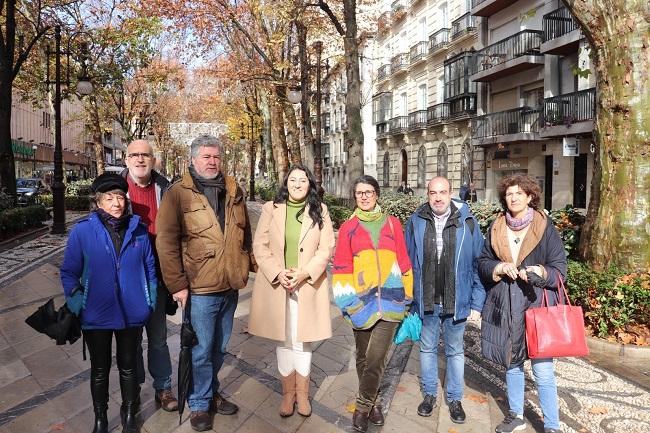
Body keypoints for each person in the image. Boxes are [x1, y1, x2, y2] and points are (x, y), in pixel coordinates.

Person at [156, 134, 254, 432]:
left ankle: (210, 392)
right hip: (199, 288)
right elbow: (166, 242)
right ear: (193, 160)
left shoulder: (234, 190)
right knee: (200, 349)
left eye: (216, 157)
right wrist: (177, 285)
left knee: (219, 348)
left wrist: (249, 265)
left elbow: (245, 232)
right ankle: (199, 402)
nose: (212, 162)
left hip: (230, 284)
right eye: (206, 157)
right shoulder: (178, 193)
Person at [60, 173, 158, 433]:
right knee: (100, 369)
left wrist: (150, 300)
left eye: (120, 197)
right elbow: (69, 271)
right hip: (96, 313)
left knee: (128, 367)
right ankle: (100, 419)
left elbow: (149, 268)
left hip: (132, 312)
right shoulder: (83, 231)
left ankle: (128, 416)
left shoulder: (138, 229)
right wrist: (78, 301)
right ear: (98, 202)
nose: (116, 203)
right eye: (109, 198)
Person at [478, 174, 567, 433]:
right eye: (509, 194)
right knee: (512, 364)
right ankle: (516, 415)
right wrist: (499, 266)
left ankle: (551, 425)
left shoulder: (545, 227)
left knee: (543, 370)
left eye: (519, 193)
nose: (513, 197)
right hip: (505, 304)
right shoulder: (496, 227)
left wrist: (540, 272)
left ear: (530, 197)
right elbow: (482, 262)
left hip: (536, 305)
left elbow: (560, 270)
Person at [249, 164, 335, 418]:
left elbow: (326, 247)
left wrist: (304, 273)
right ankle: (288, 394)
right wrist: (278, 272)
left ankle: (303, 395)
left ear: (310, 184)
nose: (297, 184)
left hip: (307, 284)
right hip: (278, 284)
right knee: (284, 338)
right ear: (286, 183)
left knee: (302, 339)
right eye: (293, 180)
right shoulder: (270, 209)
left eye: (303, 180)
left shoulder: (321, 210)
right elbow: (260, 245)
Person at [332, 175, 413, 433]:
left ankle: (362, 406)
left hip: (391, 303)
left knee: (376, 358)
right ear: (355, 197)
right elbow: (342, 268)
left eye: (369, 192)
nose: (364, 196)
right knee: (363, 357)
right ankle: (375, 402)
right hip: (361, 304)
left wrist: (406, 297)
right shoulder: (349, 228)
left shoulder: (392, 224)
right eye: (359, 193)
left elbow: (404, 261)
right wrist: (349, 304)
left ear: (377, 194)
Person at [404, 176, 485, 424]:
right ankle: (429, 395)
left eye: (442, 192)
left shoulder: (467, 222)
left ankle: (455, 398)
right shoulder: (416, 220)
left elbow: (478, 265)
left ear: (451, 193)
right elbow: (407, 261)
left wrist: (476, 303)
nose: (437, 197)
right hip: (426, 299)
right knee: (427, 349)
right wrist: (408, 299)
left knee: (455, 352)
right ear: (427, 195)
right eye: (432, 193)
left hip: (456, 300)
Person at [121, 139, 178, 412]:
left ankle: (163, 388)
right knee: (129, 340)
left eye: (146, 155)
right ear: (126, 159)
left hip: (157, 279)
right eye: (135, 155)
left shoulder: (166, 190)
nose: (141, 159)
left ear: (154, 160)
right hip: (127, 281)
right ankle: (132, 390)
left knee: (158, 338)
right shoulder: (115, 189)